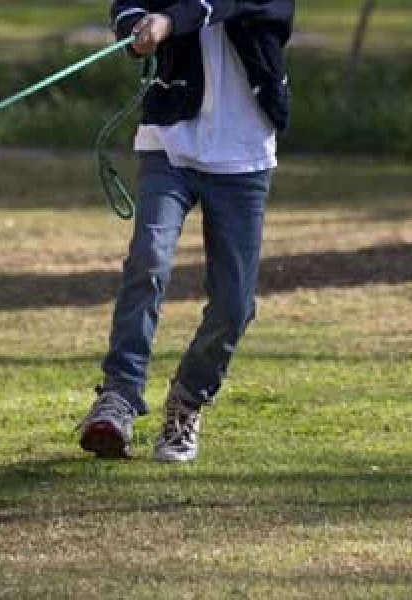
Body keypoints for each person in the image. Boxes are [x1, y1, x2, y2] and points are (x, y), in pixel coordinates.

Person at [78, 0, 295, 462]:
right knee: (149, 258)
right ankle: (119, 396)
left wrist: (171, 19)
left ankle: (188, 401)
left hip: (245, 152)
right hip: (169, 141)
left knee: (235, 305)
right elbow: (129, 4)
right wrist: (136, 25)